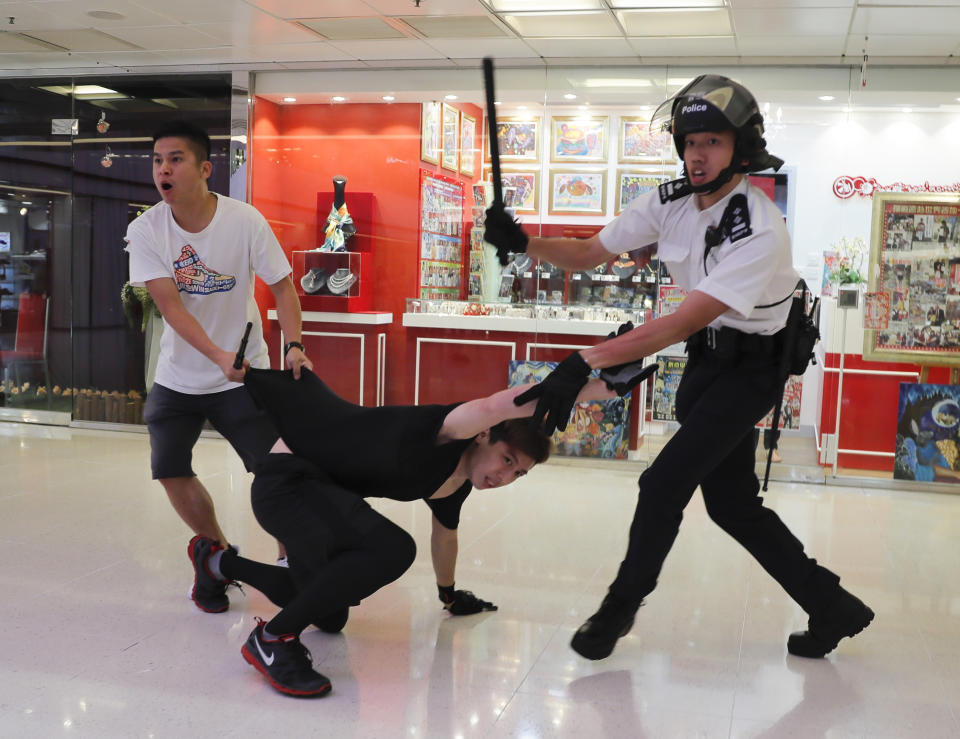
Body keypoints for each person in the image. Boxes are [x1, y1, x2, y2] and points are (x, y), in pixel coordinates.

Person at [483, 74, 873, 662]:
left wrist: (583, 360)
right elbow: (592, 251)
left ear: (741, 148)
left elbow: (678, 322)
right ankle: (834, 606)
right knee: (733, 505)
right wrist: (524, 242)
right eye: (689, 141)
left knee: (662, 483)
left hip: (750, 373)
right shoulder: (669, 201)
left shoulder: (760, 228)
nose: (696, 154)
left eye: (711, 141)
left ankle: (619, 607)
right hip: (709, 364)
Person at [187, 367, 628, 697]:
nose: (505, 476)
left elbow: (446, 536)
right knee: (394, 548)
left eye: (519, 474)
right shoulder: (447, 430)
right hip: (287, 481)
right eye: (507, 459)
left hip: (315, 493)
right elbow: (498, 403)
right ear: (485, 436)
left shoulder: (455, 486)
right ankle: (271, 639)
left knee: (328, 612)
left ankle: (215, 562)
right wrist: (594, 389)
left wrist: (450, 594)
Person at [124, 120, 312, 614]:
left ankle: (293, 565)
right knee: (169, 469)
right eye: (157, 161)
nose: (163, 169)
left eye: (176, 159)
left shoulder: (244, 220)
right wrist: (216, 356)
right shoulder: (145, 230)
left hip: (246, 375)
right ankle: (219, 555)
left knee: (276, 471)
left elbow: (284, 288)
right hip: (179, 377)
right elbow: (172, 309)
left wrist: (293, 344)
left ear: (205, 168)